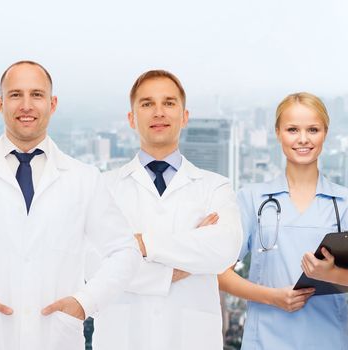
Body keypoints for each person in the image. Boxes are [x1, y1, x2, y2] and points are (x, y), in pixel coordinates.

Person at [0, 60, 141, 350]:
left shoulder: (84, 179)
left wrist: (85, 303)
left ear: (52, 103)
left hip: (58, 338)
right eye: (16, 95)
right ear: (0, 103)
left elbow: (124, 252)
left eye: (37, 95)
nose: (26, 105)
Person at [218, 92, 348, 349]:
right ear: (277, 133)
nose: (303, 139)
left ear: (325, 133)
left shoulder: (347, 203)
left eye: (312, 129)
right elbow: (220, 272)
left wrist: (333, 273)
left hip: (327, 340)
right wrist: (273, 297)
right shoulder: (251, 199)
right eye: (292, 129)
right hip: (264, 341)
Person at [90, 69, 242, 349]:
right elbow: (93, 265)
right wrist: (180, 268)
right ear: (131, 118)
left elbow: (225, 249)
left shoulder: (215, 186)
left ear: (185, 116)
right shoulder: (102, 187)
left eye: (169, 103)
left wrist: (141, 245)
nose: (158, 112)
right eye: (147, 104)